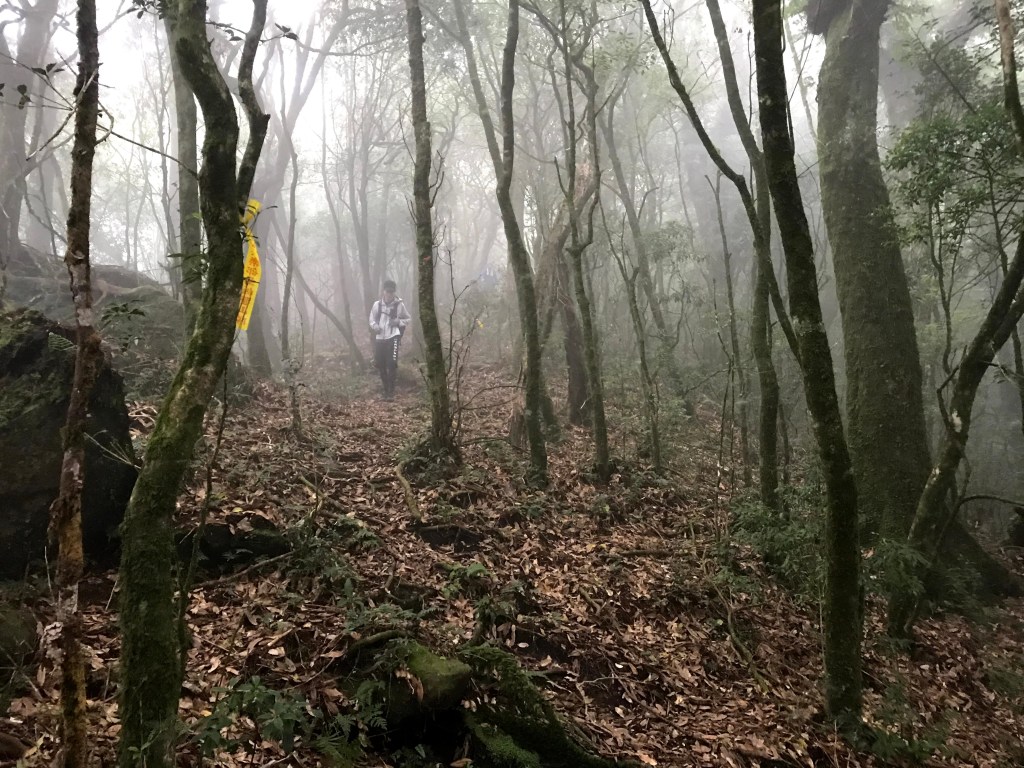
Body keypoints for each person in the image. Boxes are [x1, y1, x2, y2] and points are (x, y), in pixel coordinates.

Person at [369, 279, 411, 400]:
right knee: (380, 365)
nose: (389, 294)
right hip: (380, 338)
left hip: (394, 337)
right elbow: (371, 319)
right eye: (387, 291)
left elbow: (408, 319)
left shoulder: (399, 305)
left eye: (392, 292)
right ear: (383, 291)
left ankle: (391, 393)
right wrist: (375, 326)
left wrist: (398, 322)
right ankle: (386, 390)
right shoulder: (377, 305)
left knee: (392, 364)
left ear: (394, 292)